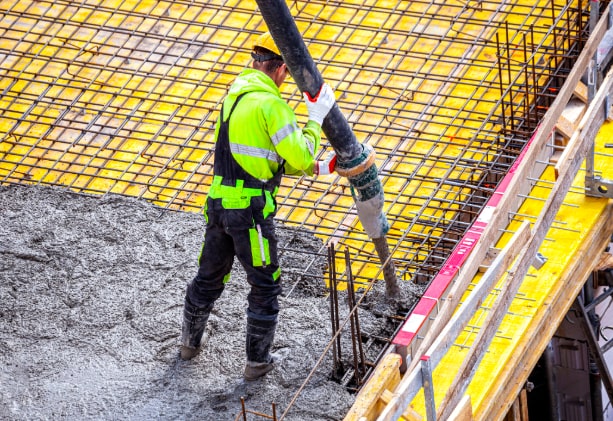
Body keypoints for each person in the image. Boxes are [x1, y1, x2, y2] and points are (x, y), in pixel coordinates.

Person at [179, 31, 336, 381]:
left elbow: (280, 159)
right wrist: (315, 119)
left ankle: (188, 346)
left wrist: (318, 167)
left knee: (209, 277)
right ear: (280, 70)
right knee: (264, 285)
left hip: (219, 204)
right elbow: (299, 153)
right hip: (250, 213)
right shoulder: (273, 105)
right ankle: (256, 365)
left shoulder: (233, 98)